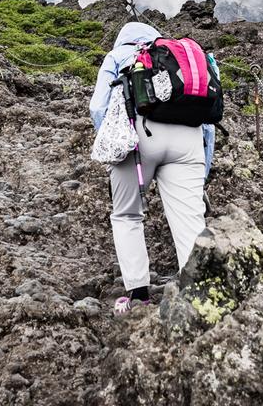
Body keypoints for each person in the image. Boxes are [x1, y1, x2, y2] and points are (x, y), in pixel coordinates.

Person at [89, 22, 217, 315]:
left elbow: (98, 108)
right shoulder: (183, 56)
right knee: (189, 218)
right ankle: (198, 295)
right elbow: (208, 120)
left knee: (127, 215)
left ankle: (138, 295)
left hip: (139, 137)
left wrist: (114, 146)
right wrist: (203, 170)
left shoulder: (118, 56)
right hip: (189, 138)